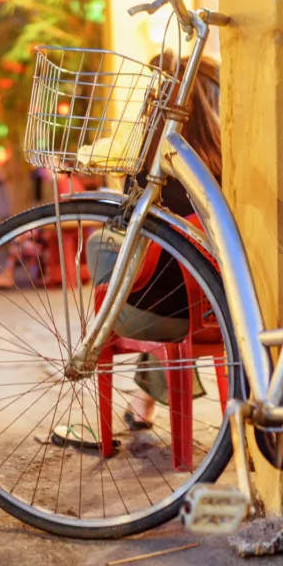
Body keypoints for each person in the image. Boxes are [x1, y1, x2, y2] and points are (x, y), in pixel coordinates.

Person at [85, 52, 222, 429]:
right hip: (216, 308)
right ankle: (142, 400)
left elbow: (128, 233)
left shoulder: (154, 166)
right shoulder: (224, 164)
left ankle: (136, 398)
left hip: (159, 317)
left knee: (107, 249)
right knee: (173, 275)